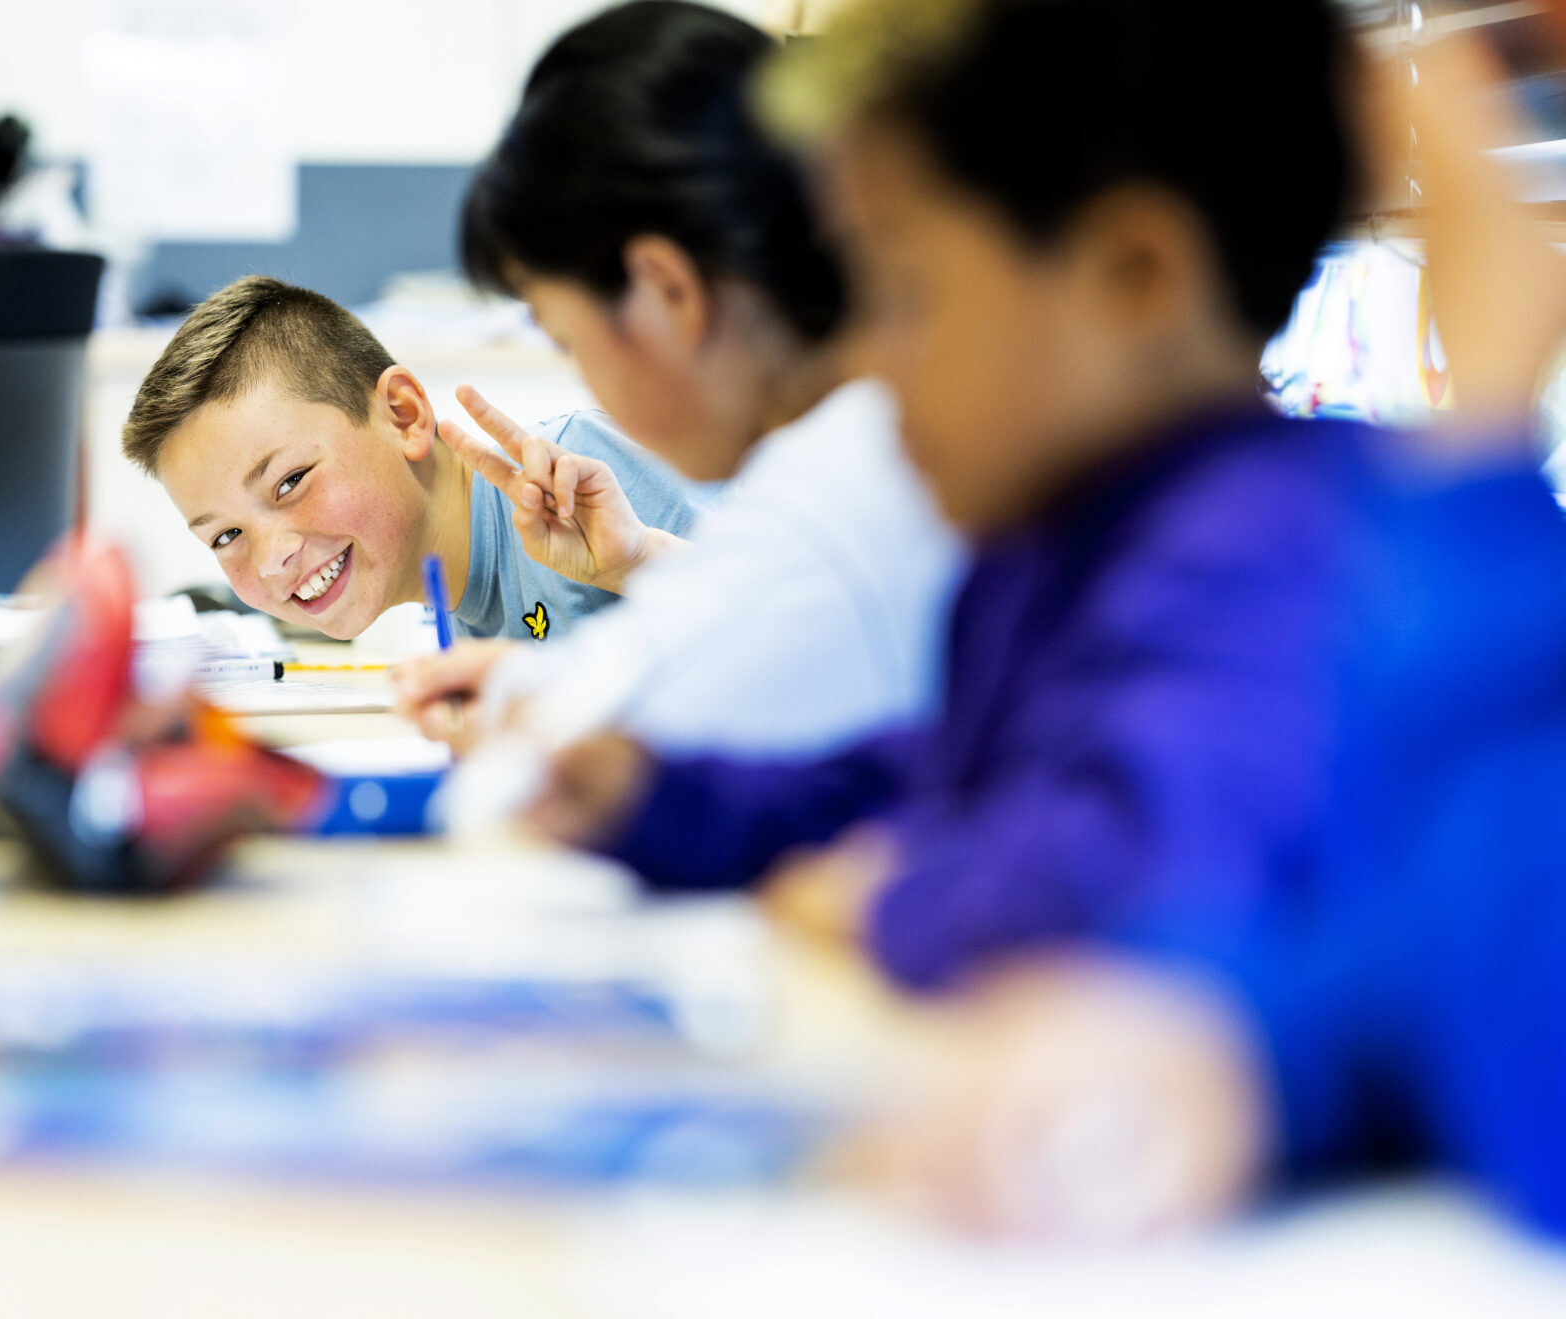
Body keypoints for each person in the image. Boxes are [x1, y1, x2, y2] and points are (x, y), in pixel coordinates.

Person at [519, 0, 1566, 1238]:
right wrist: (661, 801)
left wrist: (902, 897)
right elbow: (921, 776)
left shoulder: (1255, 540)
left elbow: (1141, 868)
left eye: (906, 292)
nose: (870, 361)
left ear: (1135, 279)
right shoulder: (1057, 541)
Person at [390, 0, 960, 760]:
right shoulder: (857, 452)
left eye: (569, 339)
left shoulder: (846, 510)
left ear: (667, 292)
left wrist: (553, 720)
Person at [121, 276, 701, 642]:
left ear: (404, 415)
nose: (272, 560)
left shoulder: (581, 482)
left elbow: (761, 629)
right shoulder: (454, 610)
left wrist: (638, 563)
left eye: (290, 481)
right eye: (225, 536)